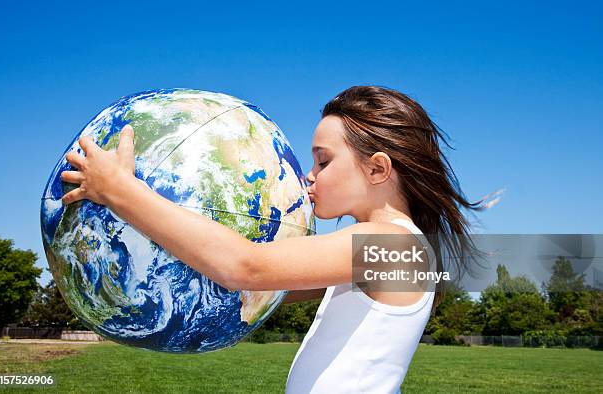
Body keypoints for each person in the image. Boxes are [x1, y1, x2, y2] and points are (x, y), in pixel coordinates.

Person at [60, 85, 494, 393]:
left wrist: (120, 191)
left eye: (323, 161)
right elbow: (263, 287)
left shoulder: (393, 245)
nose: (310, 175)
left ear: (378, 169)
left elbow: (245, 267)